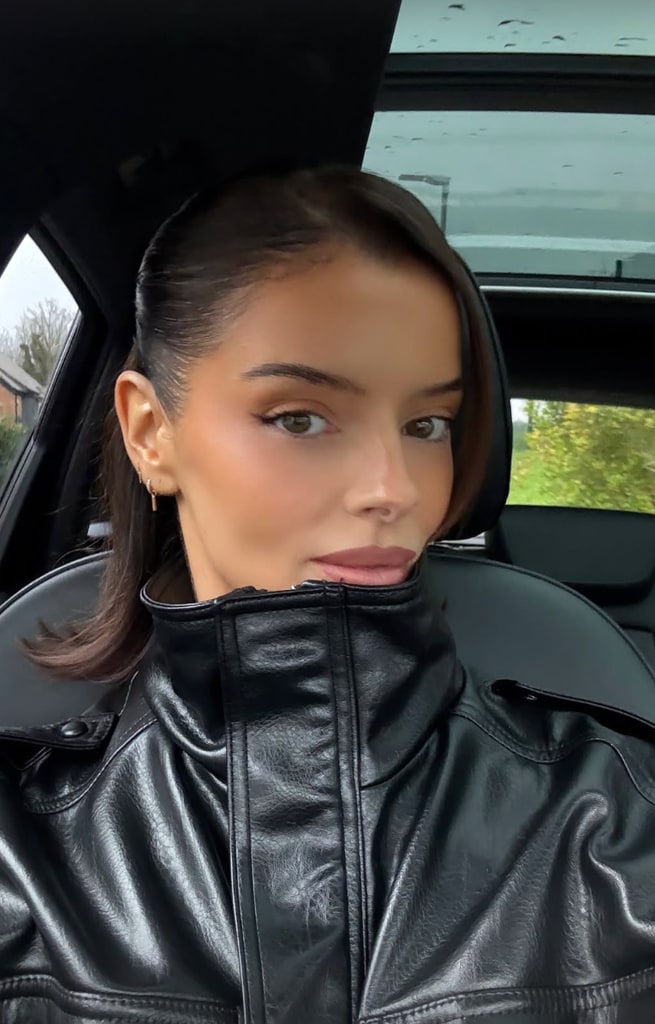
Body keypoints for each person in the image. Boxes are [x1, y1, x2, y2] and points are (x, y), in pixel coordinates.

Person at [0, 166, 654, 1024]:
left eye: (427, 426)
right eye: (300, 417)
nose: (393, 487)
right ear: (150, 433)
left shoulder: (616, 820)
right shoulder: (18, 852)